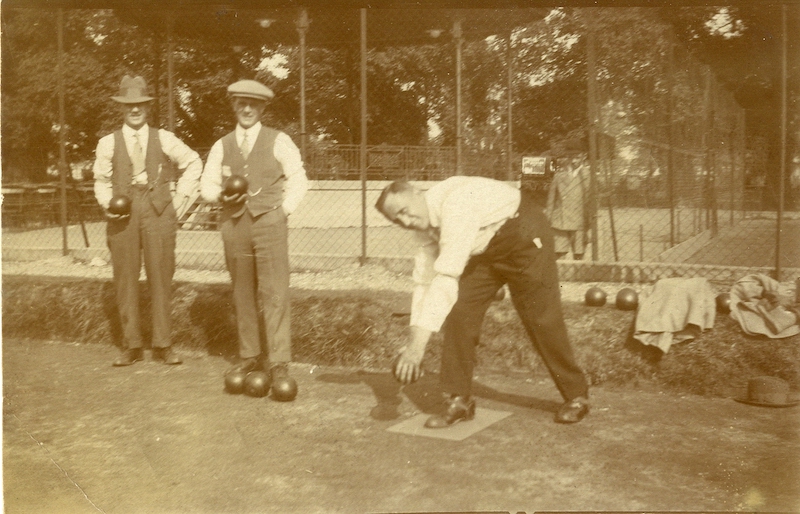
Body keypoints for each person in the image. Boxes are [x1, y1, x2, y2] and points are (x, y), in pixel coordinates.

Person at [375, 176, 589, 426]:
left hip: (523, 232)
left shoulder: (455, 205)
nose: (405, 222)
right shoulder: (423, 227)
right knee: (459, 311)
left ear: (416, 192)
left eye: (404, 211)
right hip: (485, 248)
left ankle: (576, 396)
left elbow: (446, 275)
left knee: (541, 317)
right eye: (396, 220)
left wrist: (416, 351)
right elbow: (424, 283)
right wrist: (413, 344)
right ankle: (460, 401)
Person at [200, 79, 309, 390]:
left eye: (253, 104)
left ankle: (279, 362)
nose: (247, 109)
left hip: (269, 223)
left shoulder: (279, 140)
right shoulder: (222, 145)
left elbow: (299, 178)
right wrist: (220, 197)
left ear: (262, 108)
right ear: (234, 106)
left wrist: (283, 210)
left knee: (275, 292)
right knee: (242, 292)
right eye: (241, 103)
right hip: (234, 226)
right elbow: (206, 186)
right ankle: (249, 355)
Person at [93, 75, 202, 367]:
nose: (135, 109)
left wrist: (180, 202)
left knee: (161, 277)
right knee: (125, 279)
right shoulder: (107, 143)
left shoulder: (164, 138)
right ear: (122, 109)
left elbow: (194, 162)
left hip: (158, 213)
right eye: (129, 105)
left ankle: (163, 344)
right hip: (123, 215)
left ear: (147, 107)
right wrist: (107, 204)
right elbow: (101, 181)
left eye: (140, 104)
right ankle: (131, 345)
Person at [546, 140, 590, 260]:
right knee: (558, 255)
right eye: (570, 157)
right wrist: (548, 221)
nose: (574, 161)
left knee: (579, 256)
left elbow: (590, 202)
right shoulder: (559, 175)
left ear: (584, 156)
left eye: (577, 157)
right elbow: (551, 200)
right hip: (559, 222)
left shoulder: (588, 176)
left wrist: (589, 226)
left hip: (580, 223)